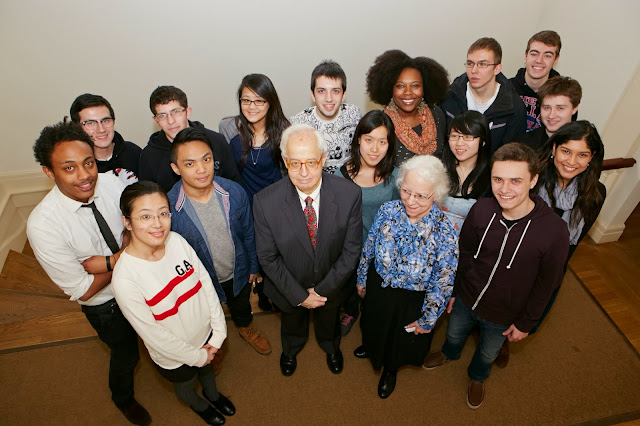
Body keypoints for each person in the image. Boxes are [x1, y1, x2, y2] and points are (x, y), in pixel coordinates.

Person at [423, 143, 569, 409]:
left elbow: (547, 285)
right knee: (454, 334)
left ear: (533, 180)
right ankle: (449, 353)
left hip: (504, 314)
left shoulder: (554, 231)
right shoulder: (481, 209)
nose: (504, 189)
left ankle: (478, 376)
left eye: (516, 181)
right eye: (498, 179)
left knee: (488, 352)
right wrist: (453, 292)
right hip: (466, 299)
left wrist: (526, 323)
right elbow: (463, 254)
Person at [26, 122, 150, 425]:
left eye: (88, 163)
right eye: (69, 168)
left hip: (140, 281)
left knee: (156, 331)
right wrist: (120, 257)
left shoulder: (112, 183)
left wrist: (108, 262)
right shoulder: (43, 226)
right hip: (106, 305)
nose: (84, 176)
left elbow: (136, 227)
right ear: (48, 172)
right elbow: (84, 290)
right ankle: (122, 398)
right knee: (126, 355)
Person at [112, 181, 234, 425]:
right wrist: (197, 356)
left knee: (208, 374)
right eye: (145, 216)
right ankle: (200, 406)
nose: (157, 224)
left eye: (163, 213)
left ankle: (212, 395)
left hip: (206, 337)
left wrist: (218, 334)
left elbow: (205, 285)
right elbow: (154, 334)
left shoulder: (177, 241)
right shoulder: (125, 278)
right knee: (186, 385)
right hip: (175, 356)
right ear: (127, 222)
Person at [253, 124, 362, 377]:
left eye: (311, 162)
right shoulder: (264, 201)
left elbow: (351, 251)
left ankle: (331, 347)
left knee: (329, 322)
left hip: (332, 285)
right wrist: (300, 295)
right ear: (284, 160)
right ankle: (290, 350)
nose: (303, 173)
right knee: (291, 324)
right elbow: (268, 258)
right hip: (289, 287)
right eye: (295, 163)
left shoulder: (349, 194)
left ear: (323, 159)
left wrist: (321, 291)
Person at [356, 155, 458, 399]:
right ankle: (371, 347)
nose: (411, 201)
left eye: (421, 195)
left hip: (411, 299)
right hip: (378, 285)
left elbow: (443, 279)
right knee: (372, 322)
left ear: (437, 194)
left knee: (399, 340)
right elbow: (369, 246)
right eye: (406, 191)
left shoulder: (445, 231)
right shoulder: (388, 210)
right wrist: (361, 278)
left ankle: (390, 369)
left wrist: (429, 318)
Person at [168, 127, 271, 359]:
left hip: (238, 271)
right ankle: (211, 347)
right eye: (190, 163)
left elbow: (248, 233)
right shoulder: (170, 208)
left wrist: (253, 266)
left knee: (241, 305)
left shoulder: (233, 192)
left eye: (206, 159)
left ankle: (246, 328)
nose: (201, 169)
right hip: (199, 281)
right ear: (176, 168)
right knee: (204, 317)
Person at [531, 120, 606, 332]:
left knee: (530, 317)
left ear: (591, 158)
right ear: (554, 148)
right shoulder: (532, 177)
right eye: (566, 151)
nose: (572, 161)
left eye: (582, 154)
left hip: (552, 264)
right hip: (516, 257)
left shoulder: (595, 194)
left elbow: (572, 245)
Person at [335, 110, 400, 335]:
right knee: (348, 290)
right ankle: (351, 311)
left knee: (374, 299)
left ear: (389, 145)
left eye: (382, 142)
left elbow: (400, 221)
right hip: (348, 250)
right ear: (358, 140)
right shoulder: (339, 174)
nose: (374, 149)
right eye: (369, 140)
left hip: (379, 254)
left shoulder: (395, 178)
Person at [229, 74, 289, 311]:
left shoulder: (284, 134)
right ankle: (263, 295)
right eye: (246, 101)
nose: (252, 106)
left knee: (277, 258)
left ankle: (277, 294)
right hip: (249, 211)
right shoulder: (234, 135)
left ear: (270, 102)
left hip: (277, 209)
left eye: (259, 101)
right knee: (257, 258)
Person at [139, 85, 241, 192]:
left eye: (176, 112)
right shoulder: (149, 156)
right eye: (162, 115)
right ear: (156, 120)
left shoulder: (216, 141)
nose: (171, 121)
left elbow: (234, 185)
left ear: (188, 112)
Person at [440, 37, 527, 154]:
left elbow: (511, 154)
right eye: (470, 64)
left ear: (497, 68)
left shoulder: (514, 108)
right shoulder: (449, 97)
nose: (474, 70)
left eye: (482, 64)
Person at [366, 50, 449, 164]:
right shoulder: (383, 123)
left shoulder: (436, 114)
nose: (408, 92)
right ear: (390, 88)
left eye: (415, 85)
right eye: (400, 86)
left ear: (425, 88)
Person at [290, 60, 362, 173]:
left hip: (348, 182)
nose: (329, 98)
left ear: (344, 95)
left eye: (336, 91)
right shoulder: (299, 123)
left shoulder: (354, 114)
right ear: (313, 95)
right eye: (321, 91)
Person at [70, 93, 141, 184]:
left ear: (113, 121)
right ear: (77, 128)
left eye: (105, 121)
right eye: (90, 123)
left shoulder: (133, 152)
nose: (101, 129)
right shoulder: (75, 165)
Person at [440, 111, 492, 231]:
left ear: (483, 141)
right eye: (454, 136)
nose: (459, 143)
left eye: (467, 137)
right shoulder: (438, 167)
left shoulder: (491, 176)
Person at [510, 31, 571, 131]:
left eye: (547, 56)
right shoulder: (505, 89)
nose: (539, 60)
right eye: (534, 54)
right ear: (526, 56)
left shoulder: (563, 98)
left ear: (555, 60)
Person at [516, 76, 582, 152]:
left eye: (560, 108)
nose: (551, 115)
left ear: (575, 108)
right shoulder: (523, 145)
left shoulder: (584, 145)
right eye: (547, 108)